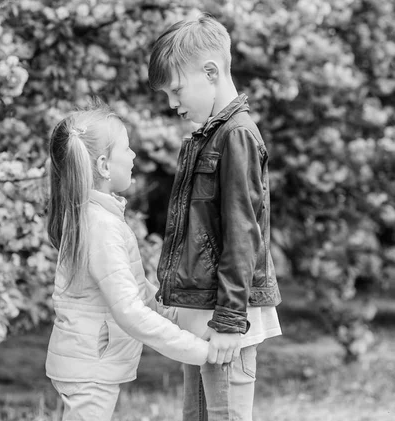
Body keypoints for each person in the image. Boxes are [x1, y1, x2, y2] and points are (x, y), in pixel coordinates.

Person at [147, 13, 283, 421]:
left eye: (176, 90)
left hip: (225, 320)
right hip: (203, 313)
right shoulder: (210, 133)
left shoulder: (236, 135)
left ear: (210, 72)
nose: (172, 104)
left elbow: (244, 231)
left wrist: (228, 320)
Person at [45, 100, 209, 421]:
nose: (134, 156)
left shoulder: (98, 217)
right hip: (90, 366)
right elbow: (129, 311)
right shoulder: (101, 226)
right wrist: (199, 351)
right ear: (105, 166)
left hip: (88, 363)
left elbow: (139, 293)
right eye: (127, 148)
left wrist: (182, 315)